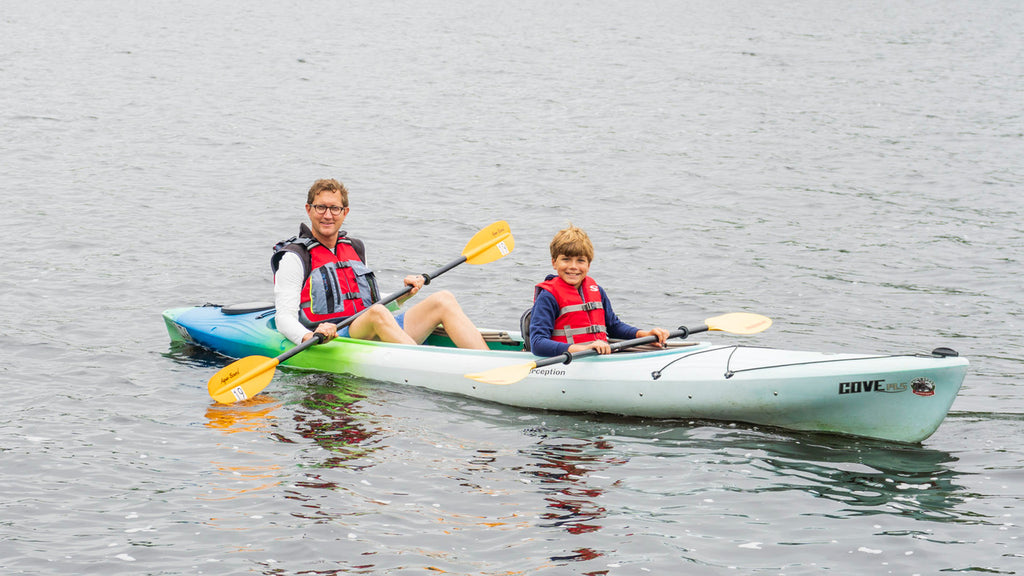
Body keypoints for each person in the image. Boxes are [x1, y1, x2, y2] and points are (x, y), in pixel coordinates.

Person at [271, 178, 488, 349]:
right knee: (377, 313)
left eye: (334, 208)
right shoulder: (295, 257)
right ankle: (430, 365)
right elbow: (284, 318)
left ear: (345, 213)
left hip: (371, 326)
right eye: (321, 208)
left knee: (443, 299)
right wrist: (310, 335)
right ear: (309, 210)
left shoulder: (355, 248)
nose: (327, 215)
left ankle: (488, 362)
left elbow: (366, 301)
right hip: (335, 337)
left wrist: (404, 296)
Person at [528, 225, 671, 357]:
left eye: (580, 261)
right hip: (571, 359)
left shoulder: (597, 291)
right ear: (554, 262)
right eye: (566, 259)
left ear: (588, 265)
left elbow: (614, 327)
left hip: (597, 356)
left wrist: (645, 335)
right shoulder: (548, 297)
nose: (573, 266)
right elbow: (538, 344)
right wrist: (584, 349)